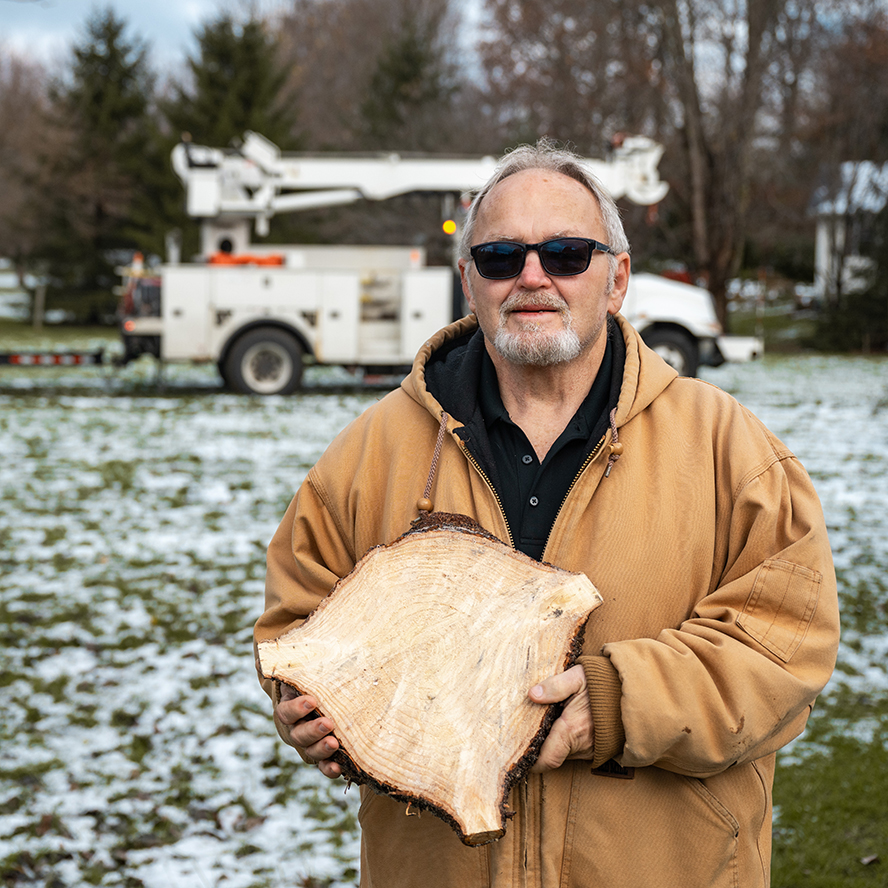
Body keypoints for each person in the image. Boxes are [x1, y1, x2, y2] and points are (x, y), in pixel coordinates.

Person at [254, 139, 839, 888]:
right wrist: (305, 710)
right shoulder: (367, 455)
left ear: (617, 278)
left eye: (566, 253)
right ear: (470, 281)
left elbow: (785, 649)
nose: (533, 277)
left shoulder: (733, 452)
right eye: (501, 257)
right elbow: (296, 626)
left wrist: (617, 704)